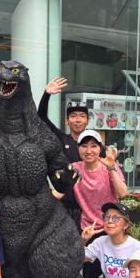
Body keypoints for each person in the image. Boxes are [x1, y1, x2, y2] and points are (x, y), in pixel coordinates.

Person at [72, 129, 127, 278]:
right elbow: (58, 190)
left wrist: (111, 168)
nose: (89, 150)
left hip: (112, 223)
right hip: (89, 226)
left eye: (94, 146)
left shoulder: (109, 165)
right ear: (78, 148)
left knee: (115, 265)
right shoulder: (74, 169)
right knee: (89, 269)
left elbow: (123, 193)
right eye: (84, 146)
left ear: (100, 148)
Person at [37, 77, 85, 226]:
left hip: (87, 205)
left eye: (82, 116)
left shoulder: (96, 146)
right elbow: (41, 117)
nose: (78, 120)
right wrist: (46, 94)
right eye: (73, 116)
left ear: (88, 120)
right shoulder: (61, 139)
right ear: (66, 121)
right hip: (64, 204)